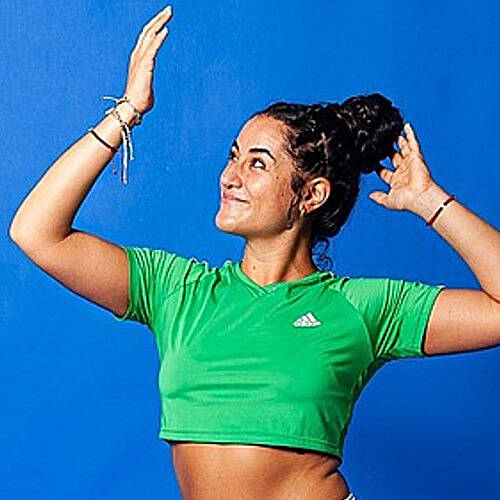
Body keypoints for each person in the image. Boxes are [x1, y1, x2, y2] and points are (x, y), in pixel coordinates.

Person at [10, 5, 500, 500]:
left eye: (257, 164)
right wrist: (128, 110)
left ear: (311, 195)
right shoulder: (178, 291)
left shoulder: (360, 308)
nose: (230, 176)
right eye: (233, 157)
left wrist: (429, 201)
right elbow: (37, 232)